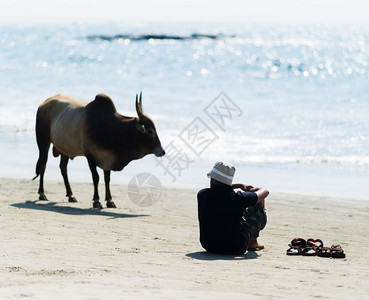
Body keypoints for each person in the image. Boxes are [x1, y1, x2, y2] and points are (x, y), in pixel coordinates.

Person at [197, 161, 269, 255]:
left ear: (214, 180)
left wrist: (238, 185)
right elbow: (265, 192)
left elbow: (207, 188)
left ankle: (252, 241)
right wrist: (252, 189)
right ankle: (253, 242)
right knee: (257, 202)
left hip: (209, 246)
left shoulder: (202, 195)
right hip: (236, 247)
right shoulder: (238, 198)